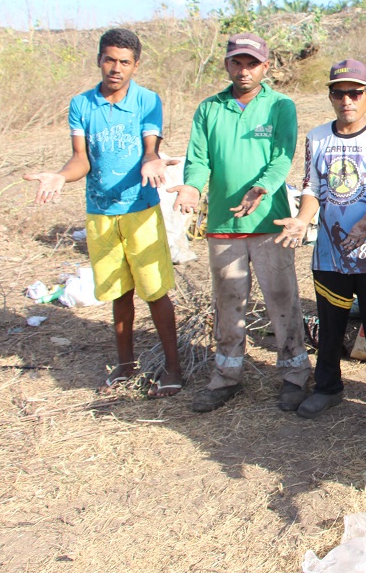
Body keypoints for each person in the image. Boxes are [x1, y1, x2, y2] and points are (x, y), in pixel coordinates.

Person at [24, 28, 183, 398]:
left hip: (140, 211)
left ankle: (173, 369)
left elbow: (150, 148)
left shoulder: (147, 101)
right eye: (109, 59)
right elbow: (81, 160)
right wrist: (61, 177)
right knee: (119, 292)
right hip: (100, 213)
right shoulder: (82, 105)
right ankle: (126, 367)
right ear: (99, 60)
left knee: (155, 291)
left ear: (135, 65)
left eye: (124, 62)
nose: (116, 68)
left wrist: (152, 162)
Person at [273, 59, 366, 434]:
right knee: (330, 324)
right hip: (329, 256)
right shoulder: (318, 137)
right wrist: (303, 220)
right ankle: (328, 387)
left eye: (355, 93)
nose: (347, 100)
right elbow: (312, 187)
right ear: (331, 97)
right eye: (340, 93)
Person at [169, 32, 311, 413]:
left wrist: (262, 188)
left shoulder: (280, 106)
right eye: (237, 62)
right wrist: (192, 188)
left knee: (282, 297)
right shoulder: (209, 109)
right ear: (227, 65)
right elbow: (198, 159)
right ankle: (226, 376)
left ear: (265, 67)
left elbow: (283, 157)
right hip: (223, 224)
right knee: (229, 300)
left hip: (269, 220)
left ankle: (295, 373)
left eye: (252, 63)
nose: (244, 70)